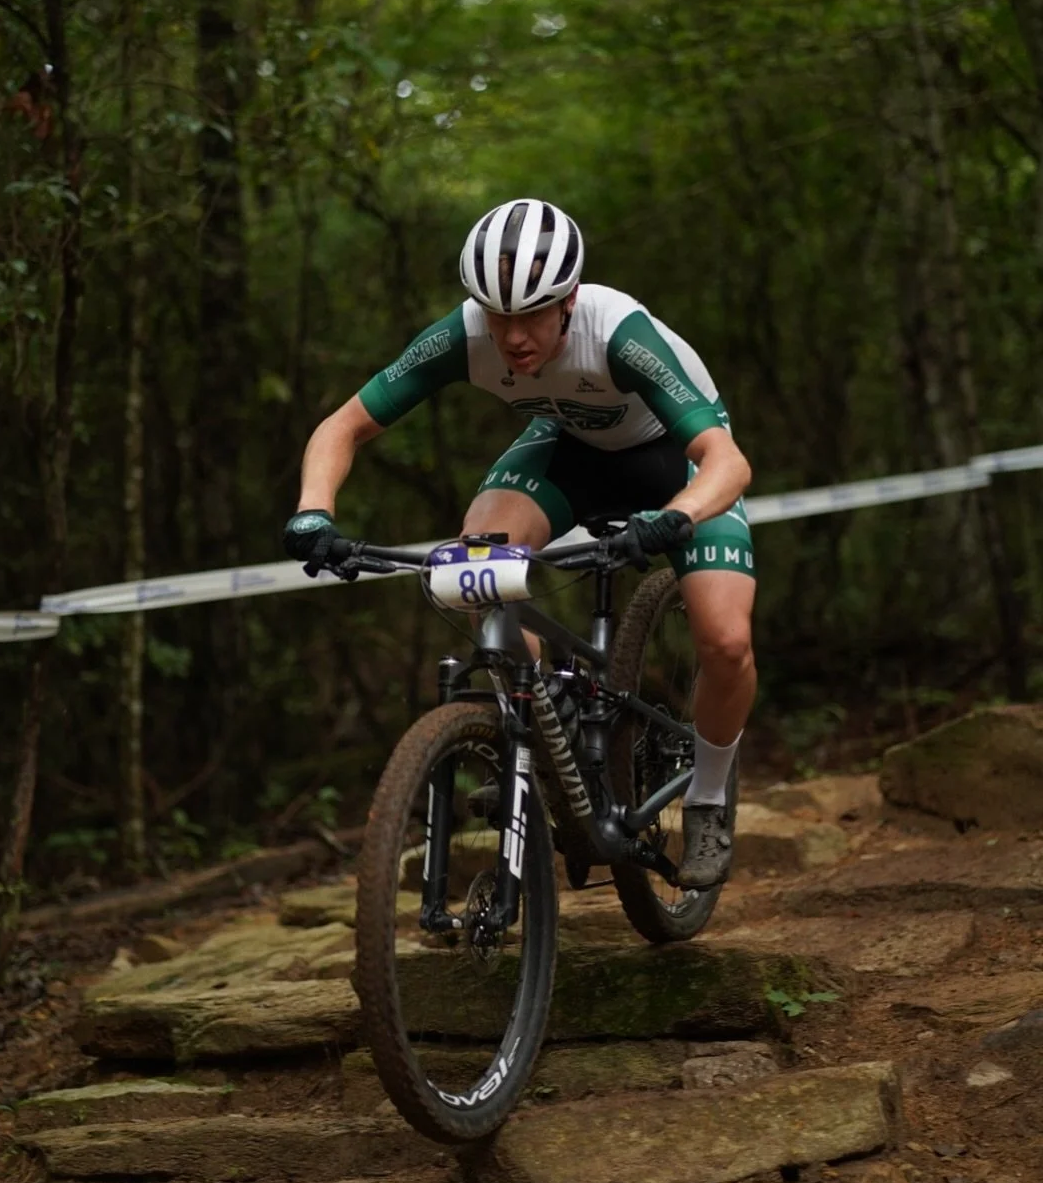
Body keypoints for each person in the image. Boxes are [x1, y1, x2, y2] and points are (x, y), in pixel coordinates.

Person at [283, 199, 755, 888]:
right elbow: (342, 425)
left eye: (530, 314)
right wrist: (313, 514)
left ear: (567, 301)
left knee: (725, 640)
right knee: (478, 566)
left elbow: (727, 460)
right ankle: (543, 740)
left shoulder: (620, 336)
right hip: (569, 448)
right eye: (495, 316)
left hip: (675, 457)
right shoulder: (463, 336)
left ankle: (711, 795)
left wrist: (678, 516)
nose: (512, 337)